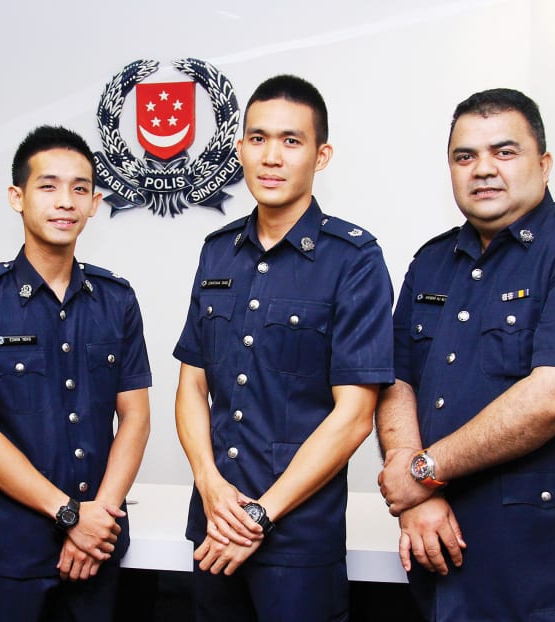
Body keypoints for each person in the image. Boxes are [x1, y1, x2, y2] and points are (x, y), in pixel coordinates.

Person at [173, 74, 394, 621]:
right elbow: (192, 385)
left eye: (291, 141)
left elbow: (355, 414)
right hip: (213, 528)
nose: (271, 157)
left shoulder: (354, 260)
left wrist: (259, 516)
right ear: (240, 147)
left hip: (297, 541)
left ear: (321, 156)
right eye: (257, 138)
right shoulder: (217, 253)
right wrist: (209, 485)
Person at [377, 88, 555, 621]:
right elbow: (395, 379)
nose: (483, 170)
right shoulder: (431, 261)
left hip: (543, 565)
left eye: (505, 151)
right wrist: (416, 492)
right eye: (465, 156)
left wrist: (422, 471)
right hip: (435, 547)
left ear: (543, 165)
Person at [0, 125, 151, 622]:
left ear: (95, 203)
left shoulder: (116, 299)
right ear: (18, 197)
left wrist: (97, 520)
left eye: (80, 189)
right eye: (48, 186)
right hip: (14, 548)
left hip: (100, 543)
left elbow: (135, 417)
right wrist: (70, 514)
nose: (65, 202)